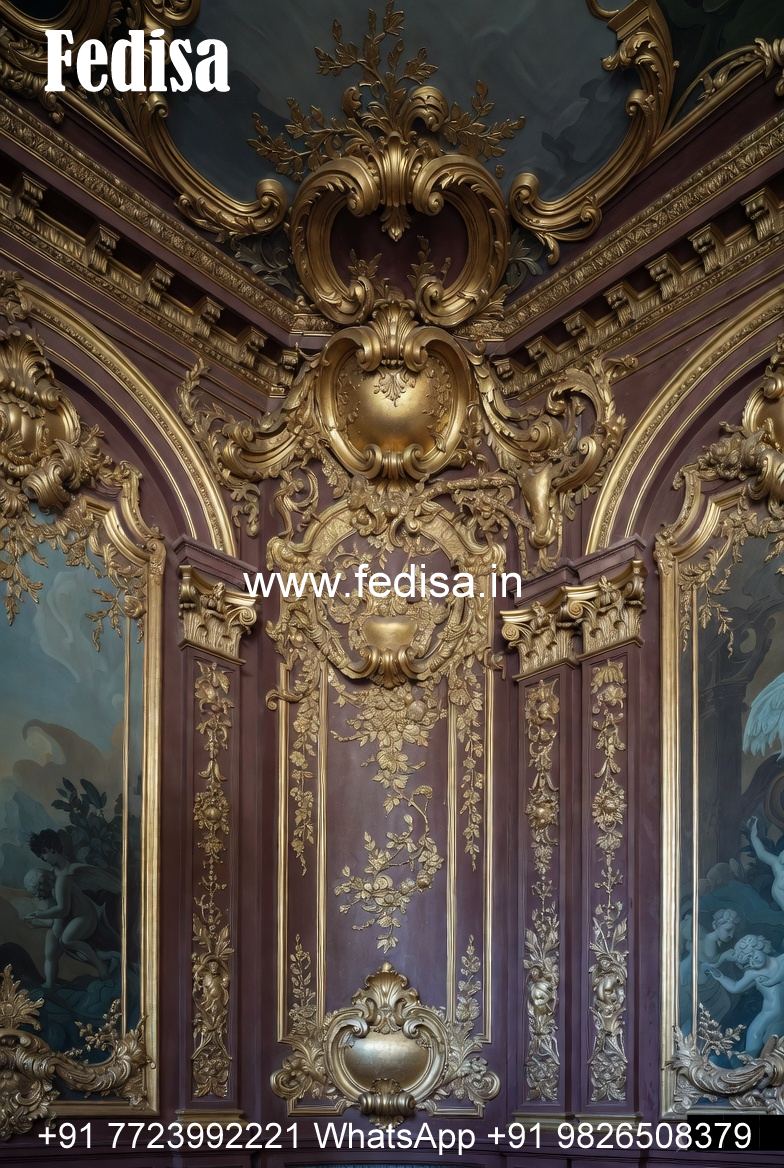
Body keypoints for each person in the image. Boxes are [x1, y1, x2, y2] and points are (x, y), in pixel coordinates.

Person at [26, 829, 112, 989]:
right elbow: (55, 909)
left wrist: (40, 914)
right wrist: (42, 922)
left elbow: (63, 910)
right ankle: (49, 983)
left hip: (84, 917)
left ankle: (102, 966)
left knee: (66, 939)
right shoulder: (53, 875)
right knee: (50, 948)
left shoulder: (64, 876)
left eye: (43, 853)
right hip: (67, 919)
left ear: (51, 849)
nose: (43, 858)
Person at [706, 933, 784, 1057]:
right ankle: (750, 1064)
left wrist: (772, 981)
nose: (754, 960)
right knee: (754, 1035)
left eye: (753, 954)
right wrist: (720, 977)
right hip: (768, 1013)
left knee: (773, 1040)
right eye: (749, 960)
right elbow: (735, 988)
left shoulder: (781, 960)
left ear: (759, 946)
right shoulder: (752, 974)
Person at [747, 817, 784, 912]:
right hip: (778, 893)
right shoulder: (777, 864)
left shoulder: (777, 864)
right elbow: (761, 853)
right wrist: (753, 834)